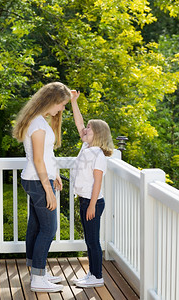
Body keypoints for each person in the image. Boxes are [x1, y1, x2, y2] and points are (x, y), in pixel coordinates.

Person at [13, 82, 72, 293]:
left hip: (39, 178)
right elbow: (38, 160)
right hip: (38, 181)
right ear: (52, 101)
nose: (62, 109)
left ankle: (36, 270)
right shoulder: (37, 125)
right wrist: (48, 190)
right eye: (62, 104)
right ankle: (38, 278)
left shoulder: (39, 121)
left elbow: (47, 155)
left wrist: (55, 174)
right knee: (48, 229)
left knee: (36, 227)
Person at [71, 91, 114, 288]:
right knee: (89, 240)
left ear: (98, 134)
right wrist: (74, 101)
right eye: (86, 127)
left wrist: (92, 206)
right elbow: (78, 122)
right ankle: (92, 273)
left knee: (93, 241)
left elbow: (98, 183)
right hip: (85, 200)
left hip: (93, 202)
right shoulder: (86, 147)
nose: (84, 129)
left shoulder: (98, 155)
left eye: (89, 128)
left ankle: (97, 276)